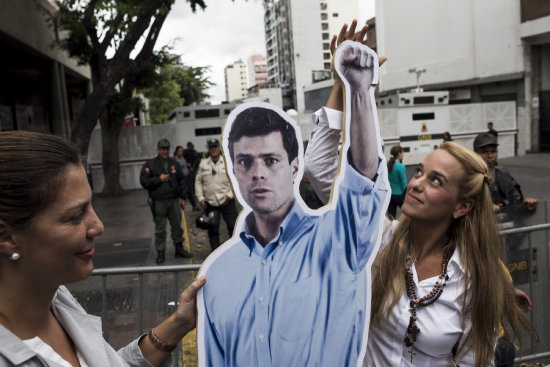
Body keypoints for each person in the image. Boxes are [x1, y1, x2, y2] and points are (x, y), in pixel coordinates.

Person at [304, 21, 533, 367]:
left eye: (436, 181)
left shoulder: (475, 279)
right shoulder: (379, 240)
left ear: (463, 206)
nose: (416, 183)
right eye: (420, 172)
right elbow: (319, 170)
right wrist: (343, 86)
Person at [197, 39, 388, 367]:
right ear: (232, 167)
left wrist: (358, 91)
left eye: (270, 160)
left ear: (294, 166)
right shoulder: (217, 274)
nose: (257, 173)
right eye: (245, 162)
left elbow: (362, 182)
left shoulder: (336, 242)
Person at [0, 130, 205, 367]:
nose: (98, 226)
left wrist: (179, 323)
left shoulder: (57, 298)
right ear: (7, 237)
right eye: (76, 215)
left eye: (91, 206)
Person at [140, 138, 192, 264]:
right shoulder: (150, 164)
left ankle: (179, 250)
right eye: (162, 149)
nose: (165, 151)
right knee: (160, 229)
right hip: (159, 201)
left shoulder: (173, 163)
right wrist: (159, 179)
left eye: (167, 149)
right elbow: (144, 182)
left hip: (174, 200)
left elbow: (181, 180)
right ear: (158, 150)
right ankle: (160, 252)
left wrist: (183, 197)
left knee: (177, 227)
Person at [473, 133, 539, 213]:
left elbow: (516, 200)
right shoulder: (466, 177)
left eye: (493, 151)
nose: (490, 155)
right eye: (484, 152)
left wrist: (525, 205)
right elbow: (460, 207)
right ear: (475, 153)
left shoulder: (503, 173)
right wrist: (483, 209)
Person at [194, 138, 238, 251]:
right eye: (211, 147)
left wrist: (229, 195)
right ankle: (215, 253)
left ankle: (235, 251)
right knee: (213, 230)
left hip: (227, 201)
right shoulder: (203, 163)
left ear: (219, 148)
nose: (213, 149)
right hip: (211, 202)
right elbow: (198, 181)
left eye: (215, 147)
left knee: (233, 227)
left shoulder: (228, 162)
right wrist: (200, 197)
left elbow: (235, 180)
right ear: (208, 149)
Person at [387, 145, 407, 218]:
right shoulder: (401, 166)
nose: (403, 154)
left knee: (391, 218)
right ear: (399, 154)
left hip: (390, 196)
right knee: (408, 215)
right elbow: (404, 184)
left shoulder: (388, 165)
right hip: (399, 196)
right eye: (402, 153)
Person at [183, 142, 201, 211]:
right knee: (190, 182)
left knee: (195, 181)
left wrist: (193, 167)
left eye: (190, 146)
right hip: (189, 170)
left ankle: (195, 192)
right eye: (189, 146)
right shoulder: (186, 152)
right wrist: (188, 165)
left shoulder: (194, 152)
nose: (190, 147)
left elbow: (197, 160)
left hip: (193, 169)